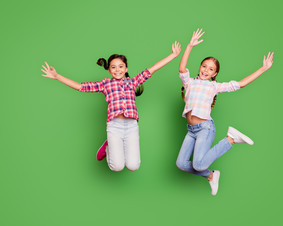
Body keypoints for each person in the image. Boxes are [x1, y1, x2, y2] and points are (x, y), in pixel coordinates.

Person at [41, 41, 181, 171]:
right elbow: (80, 87)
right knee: (117, 167)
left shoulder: (132, 82)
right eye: (113, 67)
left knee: (133, 166)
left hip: (131, 126)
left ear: (126, 68)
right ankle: (108, 146)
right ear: (109, 70)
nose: (117, 70)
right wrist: (57, 76)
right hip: (114, 126)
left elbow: (153, 69)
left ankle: (113, 146)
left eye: (120, 67)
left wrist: (173, 55)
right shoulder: (105, 83)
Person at [176, 29, 274, 196]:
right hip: (191, 131)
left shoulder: (214, 86)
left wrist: (262, 69)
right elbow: (182, 67)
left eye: (211, 69)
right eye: (204, 66)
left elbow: (241, 84)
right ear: (200, 67)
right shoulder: (190, 83)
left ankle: (231, 139)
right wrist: (190, 46)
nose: (206, 70)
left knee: (199, 164)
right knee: (181, 164)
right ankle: (211, 175)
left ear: (215, 74)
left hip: (205, 128)